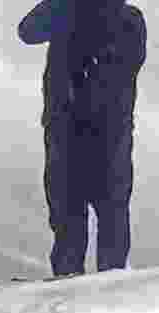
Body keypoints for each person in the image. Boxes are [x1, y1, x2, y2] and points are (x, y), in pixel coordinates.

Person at [21, 0, 146, 276]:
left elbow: (28, 31)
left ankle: (100, 286)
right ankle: (101, 286)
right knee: (86, 223)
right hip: (86, 136)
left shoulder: (125, 19)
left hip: (96, 136)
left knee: (95, 222)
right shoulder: (120, 17)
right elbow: (27, 31)